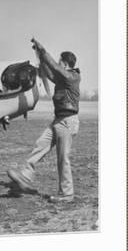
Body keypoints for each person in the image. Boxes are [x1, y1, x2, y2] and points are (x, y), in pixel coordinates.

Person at [7, 38, 81, 203]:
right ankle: (25, 175)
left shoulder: (72, 77)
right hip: (58, 120)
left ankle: (67, 194)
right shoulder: (63, 78)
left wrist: (43, 50)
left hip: (68, 122)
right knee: (40, 144)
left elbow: (53, 67)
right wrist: (40, 57)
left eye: (61, 61)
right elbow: (49, 71)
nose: (59, 64)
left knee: (63, 158)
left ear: (66, 64)